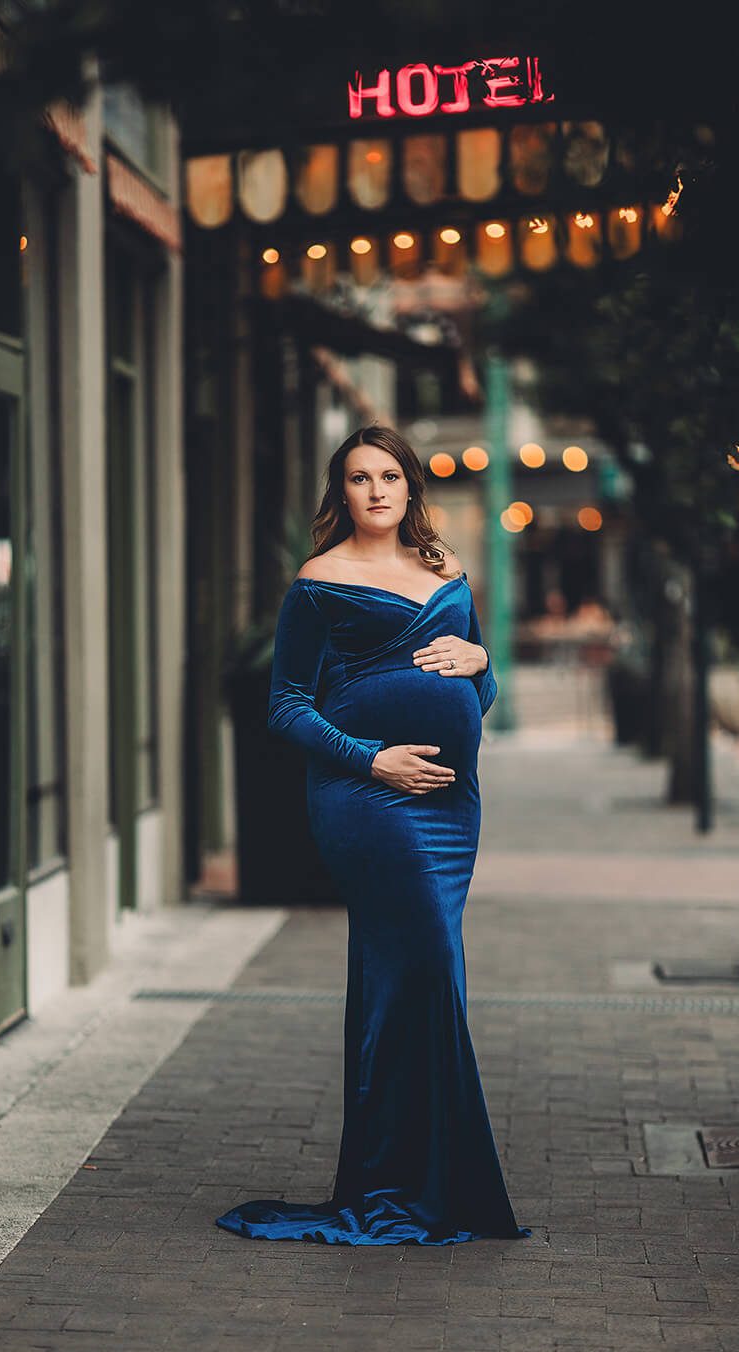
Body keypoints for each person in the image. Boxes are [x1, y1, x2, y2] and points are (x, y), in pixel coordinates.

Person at [215, 424, 529, 1246]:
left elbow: (481, 689)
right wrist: (373, 759)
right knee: (423, 961)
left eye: (390, 475)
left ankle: (430, 1177)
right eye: (360, 478)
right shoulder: (318, 582)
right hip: (366, 799)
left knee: (427, 978)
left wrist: (480, 666)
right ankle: (405, 1181)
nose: (377, 490)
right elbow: (285, 704)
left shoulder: (446, 571)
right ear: (341, 492)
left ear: (411, 486)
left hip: (451, 810)